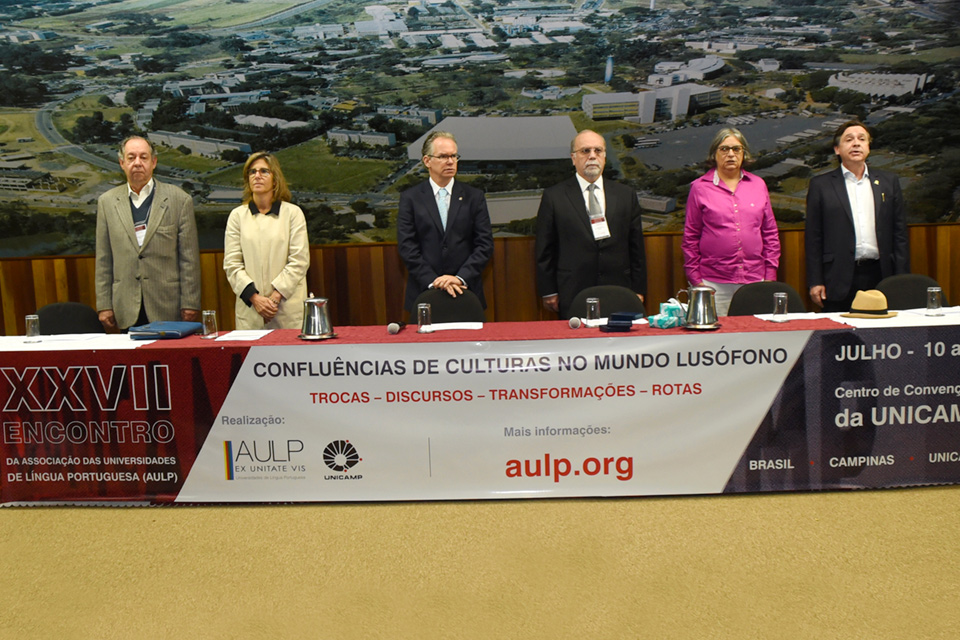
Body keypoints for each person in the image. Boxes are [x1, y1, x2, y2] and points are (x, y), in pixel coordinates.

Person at [535, 129, 646, 319]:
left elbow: (636, 247)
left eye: (598, 151)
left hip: (619, 290)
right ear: (573, 158)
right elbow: (545, 248)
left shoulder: (625, 194)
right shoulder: (554, 196)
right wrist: (549, 291)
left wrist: (638, 289)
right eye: (585, 151)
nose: (592, 156)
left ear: (604, 156)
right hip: (572, 290)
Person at [95, 135, 200, 331]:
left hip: (168, 306)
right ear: (121, 163)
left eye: (143, 157)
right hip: (125, 307)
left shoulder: (179, 200)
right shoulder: (107, 202)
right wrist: (104, 305)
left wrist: (190, 302)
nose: (137, 163)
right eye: (131, 157)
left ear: (154, 162)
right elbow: (103, 259)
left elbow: (189, 259)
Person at [805, 120, 909, 312]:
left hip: (881, 274)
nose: (856, 143)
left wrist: (901, 279)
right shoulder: (821, 185)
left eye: (862, 139)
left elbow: (899, 234)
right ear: (837, 149)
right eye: (849, 139)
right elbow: (813, 237)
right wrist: (815, 281)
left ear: (868, 147)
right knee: (838, 338)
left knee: (883, 338)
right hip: (837, 277)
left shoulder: (888, 182)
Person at [682, 128, 780, 316]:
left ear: (744, 154)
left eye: (736, 149)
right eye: (724, 149)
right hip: (714, 283)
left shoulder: (759, 185)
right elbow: (690, 237)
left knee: (754, 337)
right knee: (717, 340)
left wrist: (770, 275)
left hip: (755, 280)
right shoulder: (699, 188)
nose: (731, 154)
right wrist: (696, 280)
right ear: (714, 154)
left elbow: (770, 233)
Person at [397, 131, 493, 313]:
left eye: (453, 156)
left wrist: (459, 278)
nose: (450, 161)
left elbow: (484, 245)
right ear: (427, 161)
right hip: (423, 293)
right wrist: (434, 281)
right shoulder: (411, 198)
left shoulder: (474, 197)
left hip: (466, 291)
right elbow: (407, 247)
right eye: (443, 156)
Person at [223, 152, 310, 330]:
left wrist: (274, 298)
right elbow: (232, 264)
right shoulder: (237, 216)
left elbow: (299, 261)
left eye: (264, 171)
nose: (257, 176)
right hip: (251, 310)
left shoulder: (293, 214)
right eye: (252, 172)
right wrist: (255, 299)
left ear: (275, 179)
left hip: (285, 310)